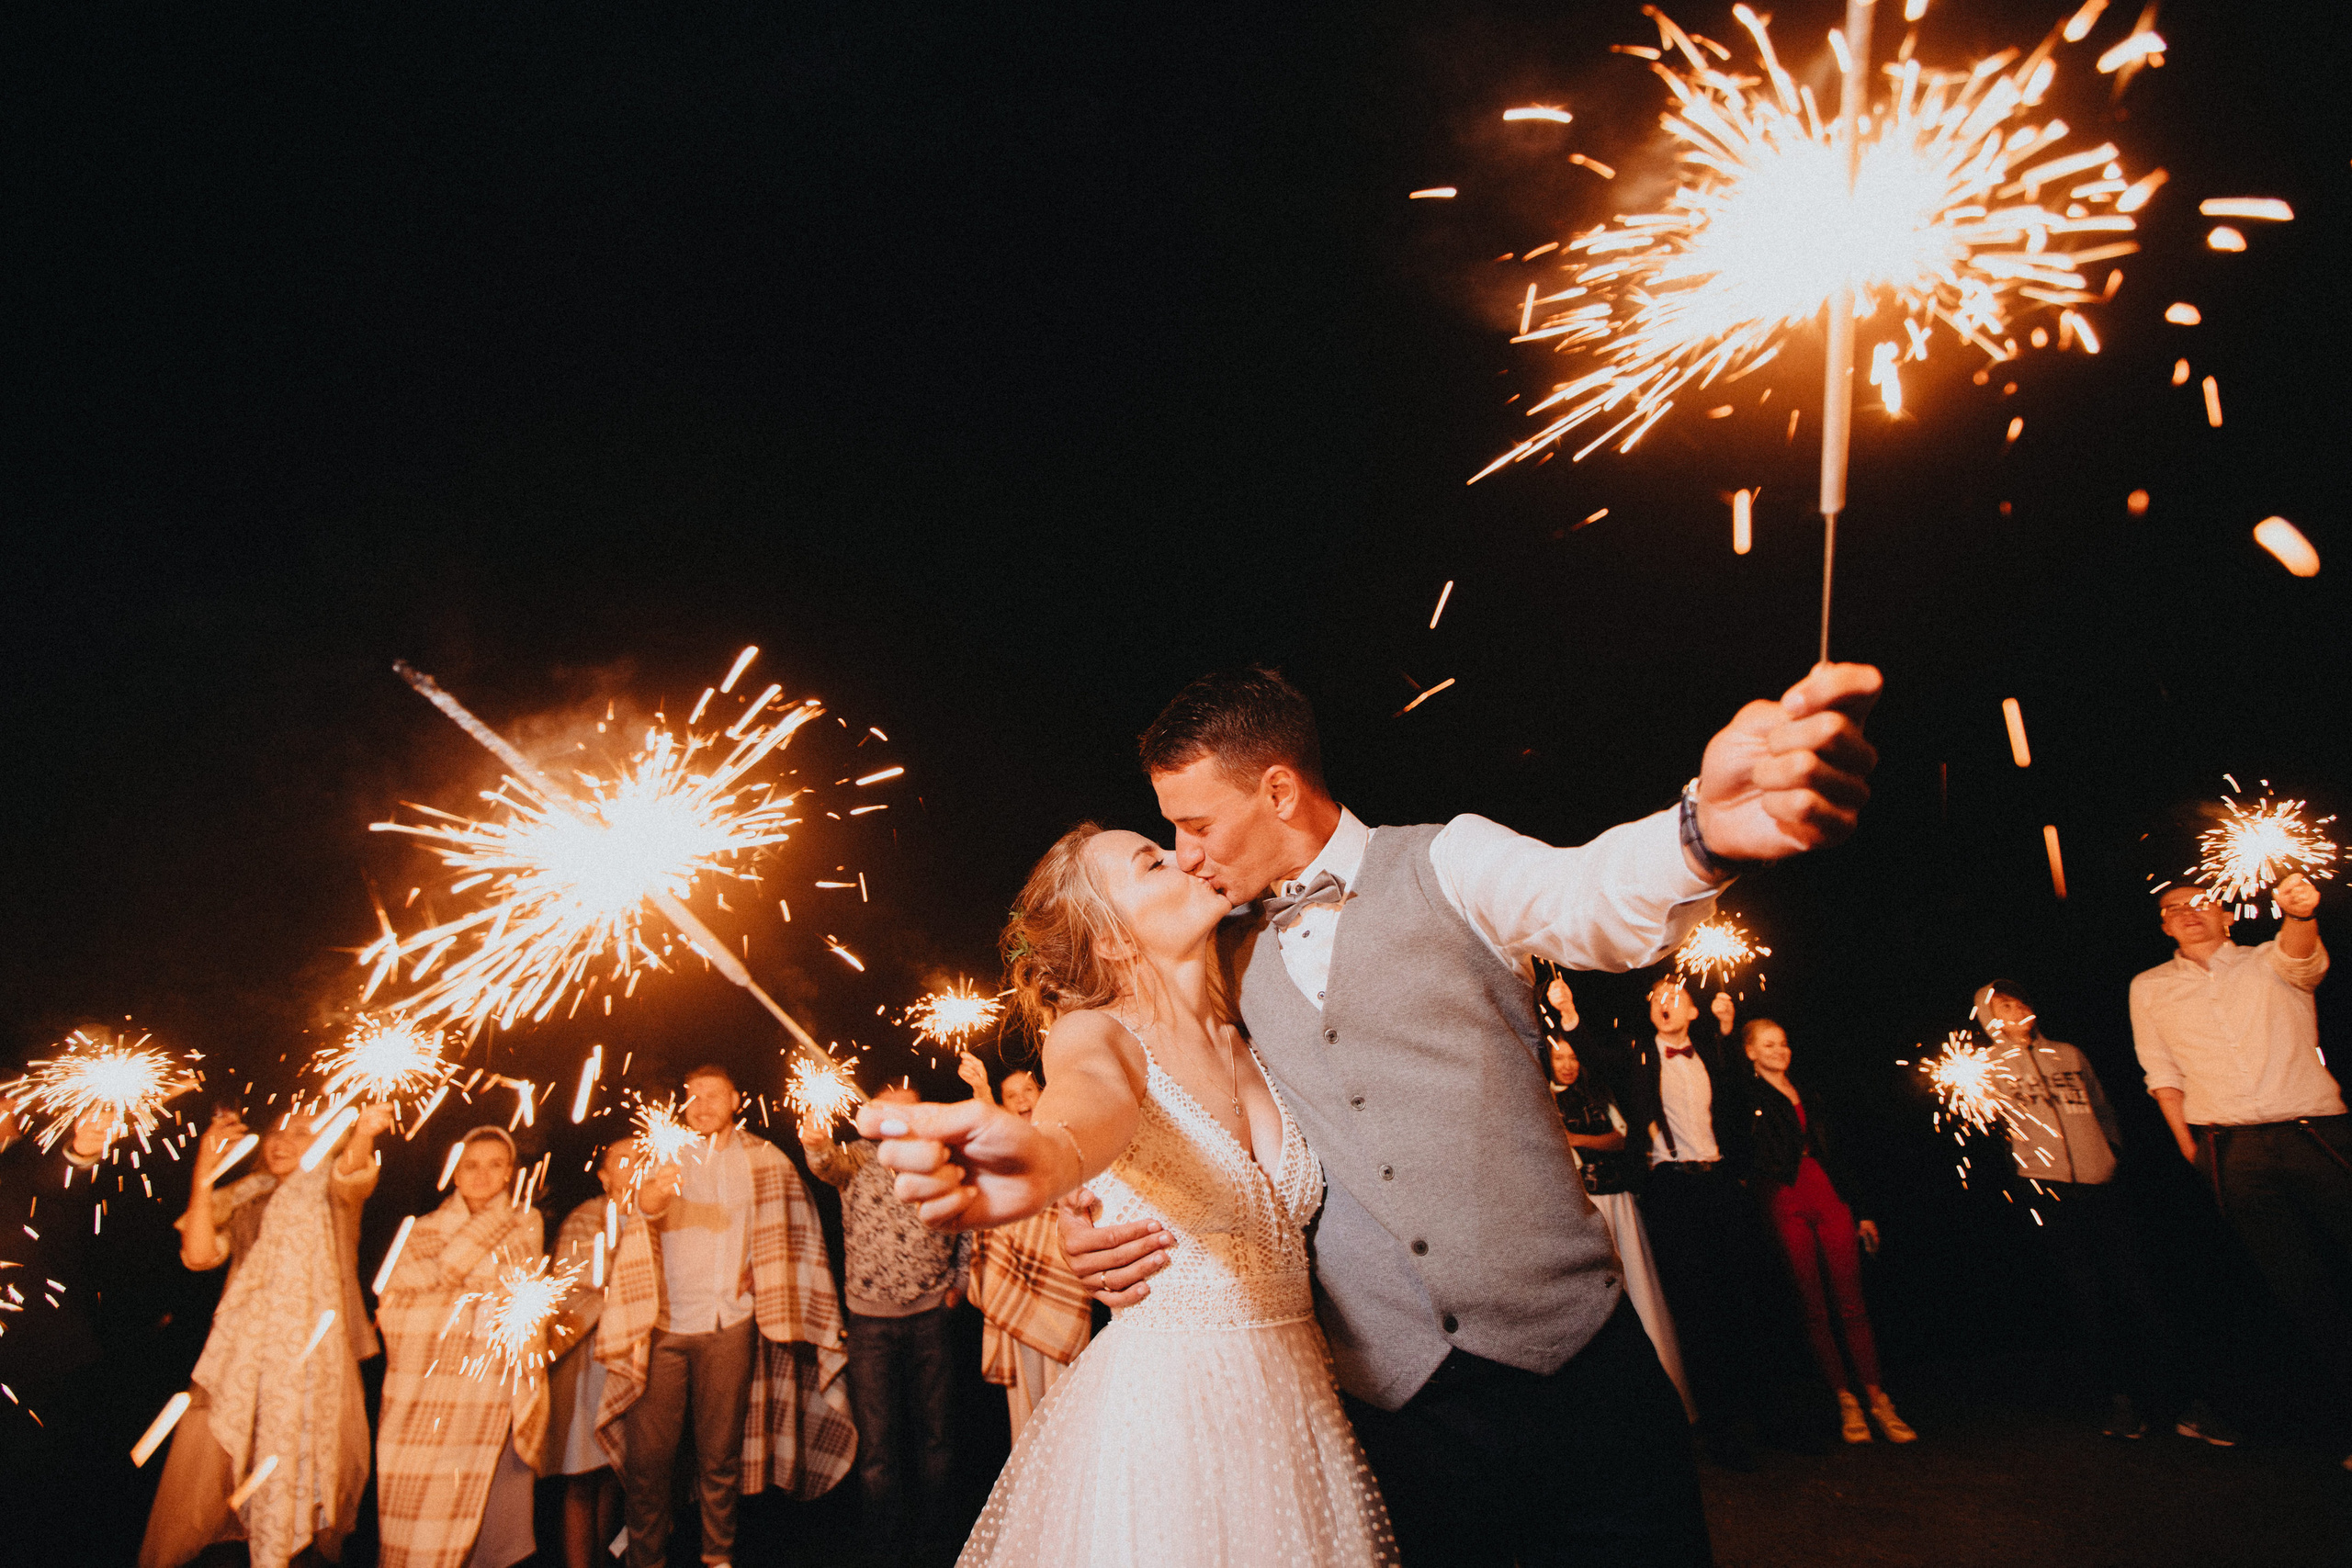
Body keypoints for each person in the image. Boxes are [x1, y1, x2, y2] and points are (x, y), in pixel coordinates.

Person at [1046, 661, 1876, 1562]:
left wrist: (1699, 834)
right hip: (1400, 1421)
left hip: (1582, 1380)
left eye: (1197, 823)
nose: (1187, 852)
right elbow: (1149, 1087)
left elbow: (1584, 893)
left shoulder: (1448, 858)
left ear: (1277, 791)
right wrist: (1084, 1205)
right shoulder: (1222, 964)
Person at [857, 819, 1398, 1566]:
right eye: (1151, 862)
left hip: (1307, 1404)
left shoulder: (1256, 1026)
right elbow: (1084, 1106)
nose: (1183, 856)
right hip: (1174, 1425)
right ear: (1111, 940)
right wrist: (1046, 1163)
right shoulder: (1094, 1035)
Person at [599, 1064, 856, 1568]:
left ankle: (717, 1556)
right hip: (663, 1327)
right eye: (692, 1096)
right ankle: (646, 1559)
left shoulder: (765, 1160)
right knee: (650, 1462)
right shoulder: (663, 1155)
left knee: (720, 1457)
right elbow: (637, 1210)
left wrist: (769, 1273)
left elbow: (793, 1230)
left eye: (714, 1095)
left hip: (729, 1326)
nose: (702, 1104)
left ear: (737, 1099)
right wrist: (653, 1195)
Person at [2130, 874, 2348, 1465]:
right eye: (2173, 910)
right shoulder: (2149, 987)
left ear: (2227, 915)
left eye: (2199, 903)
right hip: (2230, 1153)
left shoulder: (2268, 960)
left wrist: (2301, 913)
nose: (2187, 913)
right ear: (2164, 926)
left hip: (2314, 1134)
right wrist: (2191, 1148)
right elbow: (2161, 1072)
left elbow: (2304, 961)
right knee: (2300, 1287)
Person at [138, 1103, 390, 1568]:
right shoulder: (249, 1194)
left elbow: (354, 1168)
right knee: (233, 1476)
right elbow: (197, 1254)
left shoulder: (333, 1187)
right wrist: (204, 1175)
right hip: (243, 1356)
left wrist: (365, 1131)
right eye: (276, 1132)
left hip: (310, 1359)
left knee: (297, 1477)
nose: (280, 1141)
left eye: (300, 1132)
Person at [801, 1082, 974, 1561]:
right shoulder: (856, 1156)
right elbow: (826, 1164)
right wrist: (815, 1144)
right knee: (878, 1447)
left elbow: (965, 1218)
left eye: (908, 1110)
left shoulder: (937, 1156)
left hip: (930, 1315)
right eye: (887, 1111)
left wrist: (959, 1280)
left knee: (937, 1438)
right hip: (870, 1322)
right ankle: (884, 1549)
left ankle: (937, 1544)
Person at [1630, 974, 1787, 1466]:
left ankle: (1774, 1420)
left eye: (1675, 997)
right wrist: (1568, 1012)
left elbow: (1743, 1106)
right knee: (1698, 1312)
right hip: (1672, 1191)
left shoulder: (1713, 1057)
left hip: (1720, 1185)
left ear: (1692, 1012)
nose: (1666, 1002)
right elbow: (1591, 1055)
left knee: (1747, 1301)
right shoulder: (1637, 1059)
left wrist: (1726, 1027)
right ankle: (1723, 1434)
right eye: (1658, 998)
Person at [376, 1124, 548, 1568]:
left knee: (491, 1519)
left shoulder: (524, 1221)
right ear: (454, 1171)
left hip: (492, 1388)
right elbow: (393, 1301)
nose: (482, 1175)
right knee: (415, 1506)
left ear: (510, 1173)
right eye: (471, 1165)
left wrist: (446, 1286)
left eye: (495, 1165)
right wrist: (475, 1289)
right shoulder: (422, 1230)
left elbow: (520, 1296)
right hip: (424, 1388)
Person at [1740, 1019, 1913, 1445]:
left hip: (1829, 1196)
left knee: (1852, 1302)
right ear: (1751, 1053)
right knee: (1813, 1305)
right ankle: (1844, 1400)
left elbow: (1840, 1153)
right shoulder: (1747, 1096)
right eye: (1768, 1044)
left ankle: (1878, 1399)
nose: (1780, 1050)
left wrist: (1863, 1212)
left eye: (1783, 1042)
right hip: (1784, 1200)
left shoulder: (1811, 1094)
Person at [1538, 971, 1693, 1422]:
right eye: (1559, 1057)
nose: (1567, 1064)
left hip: (1617, 1199)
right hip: (1578, 1206)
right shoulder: (1544, 1098)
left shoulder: (1598, 1092)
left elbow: (1621, 1137)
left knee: (1639, 1286)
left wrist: (1578, 1138)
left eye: (1571, 1058)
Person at [958, 1055, 1092, 1438]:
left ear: (1043, 1093)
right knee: (1027, 1415)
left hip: (1062, 1284)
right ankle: (1033, 1489)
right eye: (1010, 1095)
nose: (1020, 1100)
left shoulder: (1064, 1136)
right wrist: (981, 1090)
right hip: (1012, 1281)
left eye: (1027, 1091)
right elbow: (987, 1129)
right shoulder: (1001, 1147)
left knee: (1069, 1399)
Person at [546, 1141, 636, 1568]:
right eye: (624, 1160)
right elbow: (587, 1286)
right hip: (586, 1360)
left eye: (643, 1157)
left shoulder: (659, 1213)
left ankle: (602, 1559)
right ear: (604, 1176)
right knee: (582, 1475)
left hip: (633, 1362)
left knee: (614, 1476)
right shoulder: (587, 1217)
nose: (636, 1165)